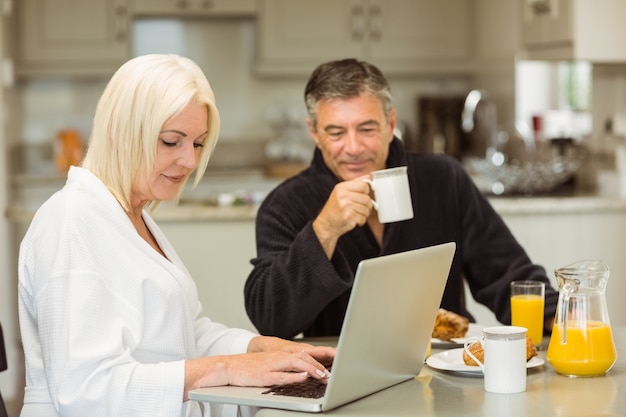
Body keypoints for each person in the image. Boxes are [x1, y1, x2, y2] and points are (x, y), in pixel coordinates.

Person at [17, 54, 334, 417]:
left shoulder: (131, 216)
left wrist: (257, 349)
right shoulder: (70, 224)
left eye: (197, 144)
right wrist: (227, 368)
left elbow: (180, 333)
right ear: (120, 131)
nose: (190, 161)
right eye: (171, 141)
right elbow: (86, 390)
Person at [244, 58, 559, 340]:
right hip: (338, 379)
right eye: (336, 133)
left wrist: (559, 317)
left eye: (367, 128)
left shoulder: (441, 178)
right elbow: (271, 320)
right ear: (314, 132)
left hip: (441, 368)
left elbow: (506, 271)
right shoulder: (285, 205)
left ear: (391, 124)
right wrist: (323, 231)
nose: (353, 148)